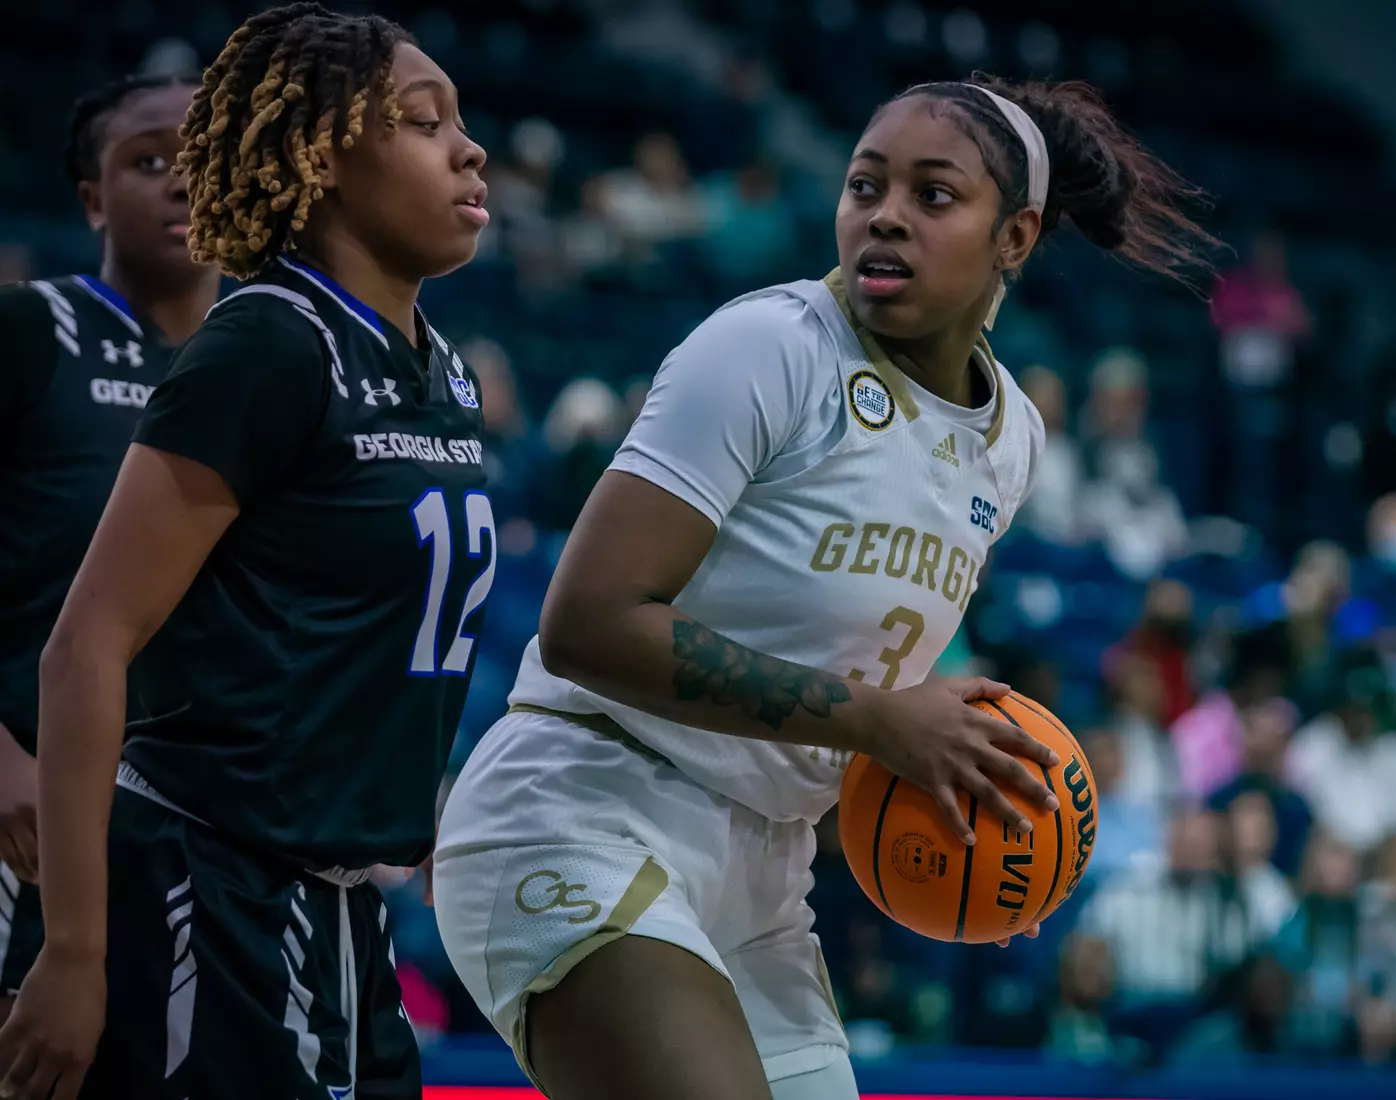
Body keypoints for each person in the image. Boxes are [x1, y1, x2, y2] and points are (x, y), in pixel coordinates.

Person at [434, 76, 1213, 1100]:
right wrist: (880, 722)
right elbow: (584, 624)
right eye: (865, 184)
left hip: (766, 875)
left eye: (934, 195)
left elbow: (855, 673)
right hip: (584, 802)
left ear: (1015, 237)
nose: (885, 213)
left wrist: (984, 827)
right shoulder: (766, 348)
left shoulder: (1014, 438)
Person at [0, 6, 490, 1099]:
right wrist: (74, 953)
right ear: (321, 156)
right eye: (423, 121)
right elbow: (84, 646)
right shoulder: (269, 340)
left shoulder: (442, 368)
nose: (470, 147)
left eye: (460, 118)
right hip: (209, 882)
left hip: (342, 904)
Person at [0, 73, 216, 1024]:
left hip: (191, 836)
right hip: (24, 816)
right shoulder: (30, 328)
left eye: (200, 158)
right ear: (91, 196)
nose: (180, 180)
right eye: (147, 160)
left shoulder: (274, 360)